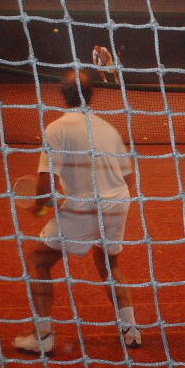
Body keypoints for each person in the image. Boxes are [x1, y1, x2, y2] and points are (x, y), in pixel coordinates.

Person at [12, 69, 140, 353]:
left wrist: (40, 208)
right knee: (109, 264)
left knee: (38, 261)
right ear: (92, 95)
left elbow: (45, 188)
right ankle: (131, 329)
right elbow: (126, 178)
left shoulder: (55, 129)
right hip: (119, 201)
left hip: (86, 206)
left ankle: (43, 336)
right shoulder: (108, 128)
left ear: (63, 96)